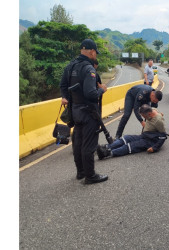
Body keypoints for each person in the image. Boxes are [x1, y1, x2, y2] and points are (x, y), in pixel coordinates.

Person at [59, 38, 108, 184]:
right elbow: (91, 95)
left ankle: (80, 172)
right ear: (92, 52)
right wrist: (102, 90)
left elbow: (62, 85)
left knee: (78, 143)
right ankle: (90, 176)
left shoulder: (70, 66)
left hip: (75, 112)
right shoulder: (88, 69)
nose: (96, 56)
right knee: (89, 145)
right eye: (95, 53)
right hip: (88, 113)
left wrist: (66, 98)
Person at [97, 104, 167, 159]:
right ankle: (107, 147)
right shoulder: (153, 110)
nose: (143, 118)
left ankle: (107, 153)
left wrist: (154, 148)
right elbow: (160, 113)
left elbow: (163, 136)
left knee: (130, 146)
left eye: (143, 116)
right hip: (144, 135)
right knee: (126, 138)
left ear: (149, 114)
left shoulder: (158, 121)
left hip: (150, 140)